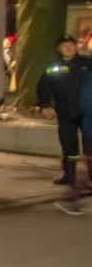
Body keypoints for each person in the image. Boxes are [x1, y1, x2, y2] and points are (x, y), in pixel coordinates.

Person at [36, 35, 91, 213]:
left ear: (76, 47)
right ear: (59, 49)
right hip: (66, 113)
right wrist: (44, 106)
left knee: (88, 149)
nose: (68, 48)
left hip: (86, 114)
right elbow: (44, 87)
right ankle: (70, 177)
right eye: (64, 46)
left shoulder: (87, 64)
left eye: (70, 45)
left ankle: (81, 183)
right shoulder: (54, 67)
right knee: (70, 148)